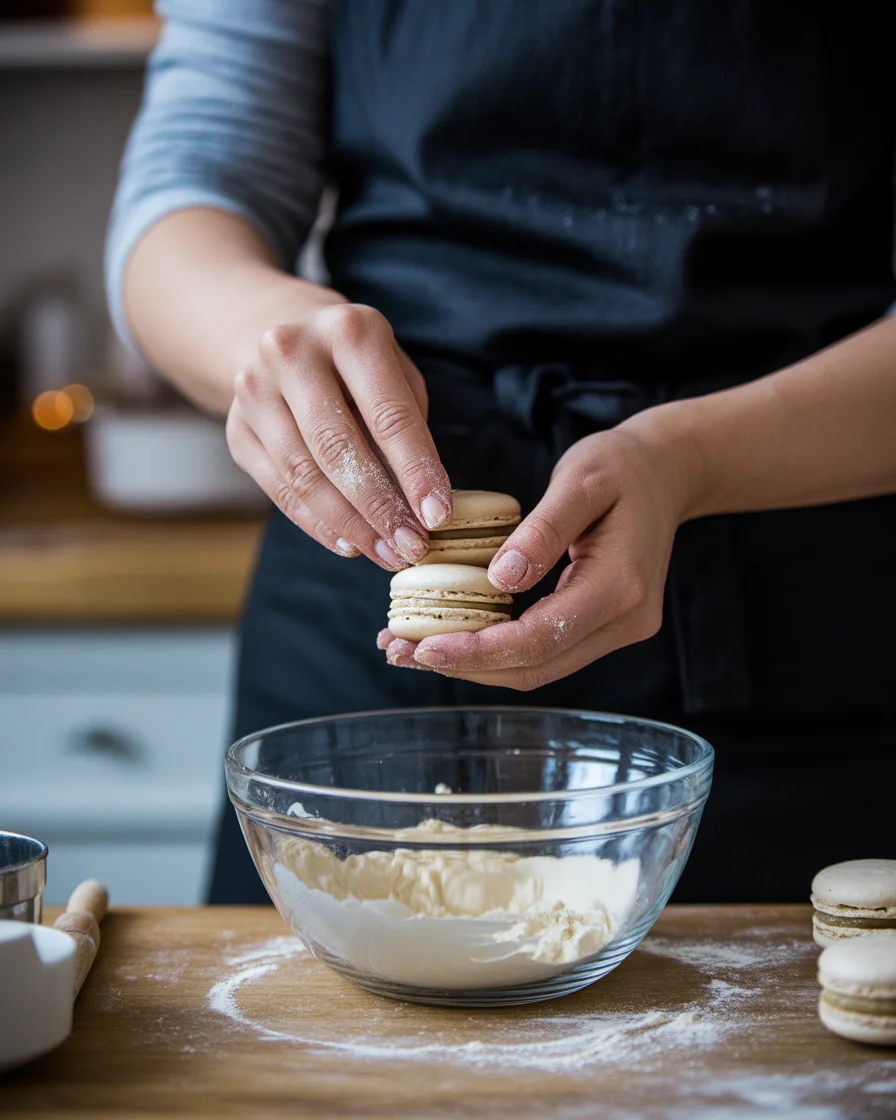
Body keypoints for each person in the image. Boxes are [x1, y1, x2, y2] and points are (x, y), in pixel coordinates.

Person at [107, 1, 896, 906]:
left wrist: (690, 460)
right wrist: (264, 337)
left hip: (805, 599)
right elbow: (193, 178)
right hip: (370, 585)